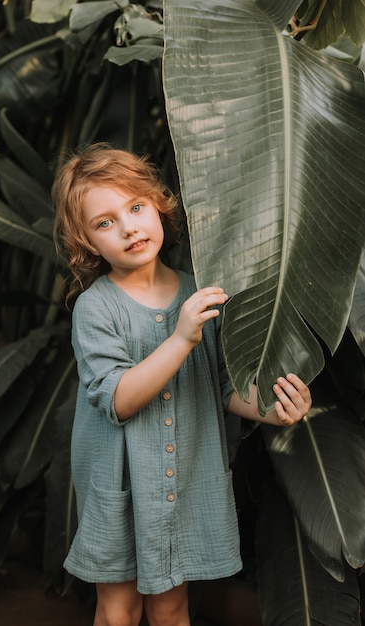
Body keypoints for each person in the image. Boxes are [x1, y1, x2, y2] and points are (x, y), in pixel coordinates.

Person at [52, 142, 311, 626]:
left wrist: (276, 409)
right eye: (104, 222)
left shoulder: (198, 293)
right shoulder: (96, 307)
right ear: (86, 242)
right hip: (121, 484)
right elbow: (118, 400)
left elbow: (221, 388)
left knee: (171, 608)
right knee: (119, 608)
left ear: (158, 206)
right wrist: (179, 338)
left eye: (135, 206)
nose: (128, 227)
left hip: (181, 482)